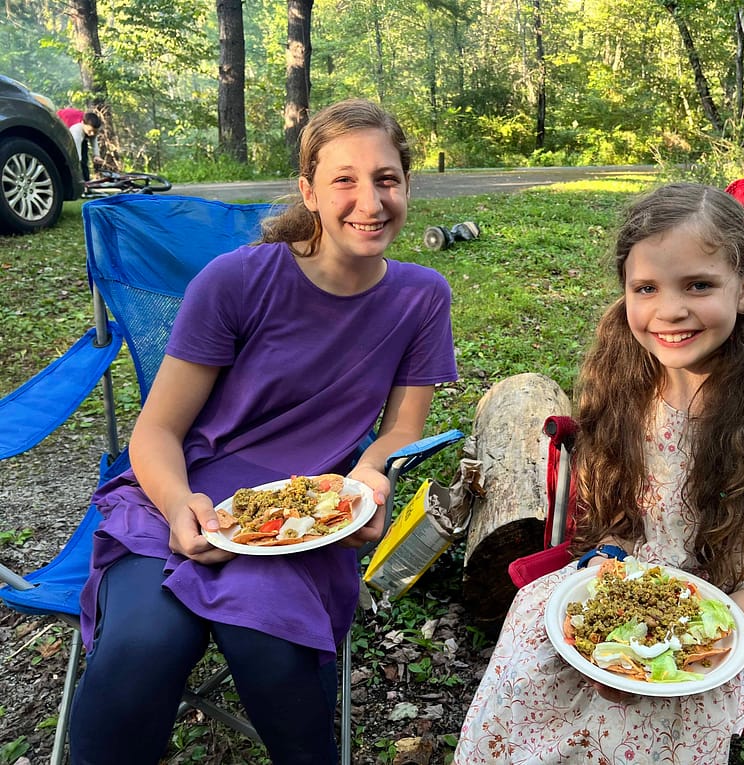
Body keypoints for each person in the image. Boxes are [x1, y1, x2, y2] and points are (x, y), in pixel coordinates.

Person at [67, 98, 458, 765]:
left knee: (270, 646)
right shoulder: (238, 281)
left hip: (306, 515)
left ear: (407, 186)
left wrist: (370, 472)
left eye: (387, 178)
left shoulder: (421, 297)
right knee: (141, 648)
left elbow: (401, 429)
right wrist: (176, 504)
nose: (370, 200)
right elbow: (156, 432)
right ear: (308, 191)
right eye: (344, 179)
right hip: (186, 496)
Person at [454, 183, 744, 764]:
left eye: (699, 285)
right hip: (642, 579)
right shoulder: (628, 389)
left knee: (643, 714)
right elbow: (625, 523)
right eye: (647, 289)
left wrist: (680, 643)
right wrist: (609, 563)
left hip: (740, 612)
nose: (670, 311)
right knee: (528, 654)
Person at [67, 111, 103, 180]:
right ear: (83, 123)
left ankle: (86, 181)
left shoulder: (90, 129)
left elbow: (93, 138)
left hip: (82, 135)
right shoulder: (76, 132)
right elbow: (77, 158)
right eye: (90, 131)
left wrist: (96, 155)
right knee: (79, 164)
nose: (92, 133)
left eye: (95, 131)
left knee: (84, 162)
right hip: (69, 137)